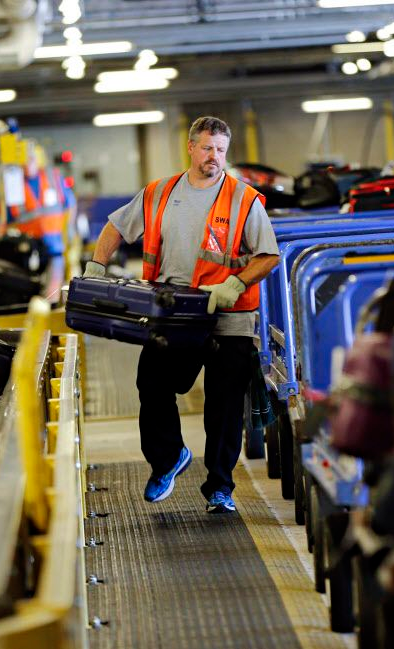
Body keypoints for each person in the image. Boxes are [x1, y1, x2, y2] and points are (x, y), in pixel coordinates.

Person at [85, 116, 280, 514]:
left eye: (222, 150)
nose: (215, 158)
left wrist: (236, 284)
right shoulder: (158, 193)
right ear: (191, 147)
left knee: (223, 406)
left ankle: (220, 488)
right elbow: (116, 227)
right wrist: (96, 267)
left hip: (229, 315)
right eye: (208, 148)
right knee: (152, 382)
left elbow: (269, 255)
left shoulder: (244, 199)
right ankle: (169, 457)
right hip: (175, 311)